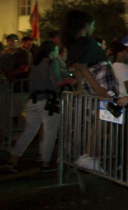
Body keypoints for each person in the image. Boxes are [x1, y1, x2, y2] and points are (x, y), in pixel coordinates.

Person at [3, 40, 75, 173]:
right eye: (55, 50)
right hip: (48, 102)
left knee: (28, 132)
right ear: (51, 51)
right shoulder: (51, 62)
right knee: (49, 133)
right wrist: (71, 80)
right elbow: (56, 81)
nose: (56, 53)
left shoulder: (35, 63)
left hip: (33, 101)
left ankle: (13, 160)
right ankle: (45, 163)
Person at [63, 10, 118, 172]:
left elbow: (78, 68)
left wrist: (80, 88)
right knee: (103, 119)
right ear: (85, 25)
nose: (94, 27)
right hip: (100, 79)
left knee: (100, 120)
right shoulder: (87, 42)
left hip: (92, 80)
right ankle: (91, 156)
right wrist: (98, 88)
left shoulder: (73, 43)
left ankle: (88, 155)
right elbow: (82, 67)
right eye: (92, 25)